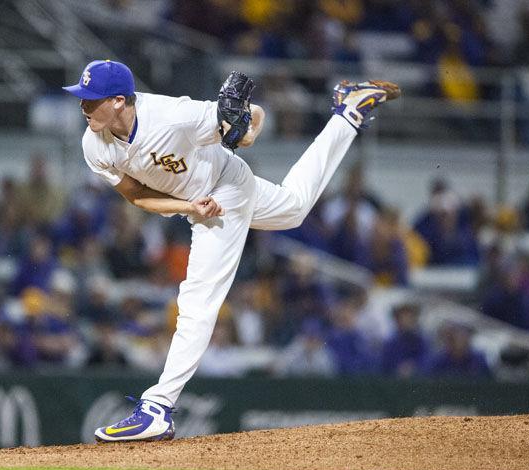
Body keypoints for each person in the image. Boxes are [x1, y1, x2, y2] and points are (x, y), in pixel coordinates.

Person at [62, 59, 399, 441]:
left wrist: (249, 127)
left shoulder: (173, 116)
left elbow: (250, 116)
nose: (83, 105)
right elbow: (137, 196)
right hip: (199, 198)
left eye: (92, 99)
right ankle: (349, 113)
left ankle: (157, 407)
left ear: (119, 101)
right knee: (293, 208)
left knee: (198, 298)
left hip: (227, 186)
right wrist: (188, 207)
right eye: (82, 98)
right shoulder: (95, 144)